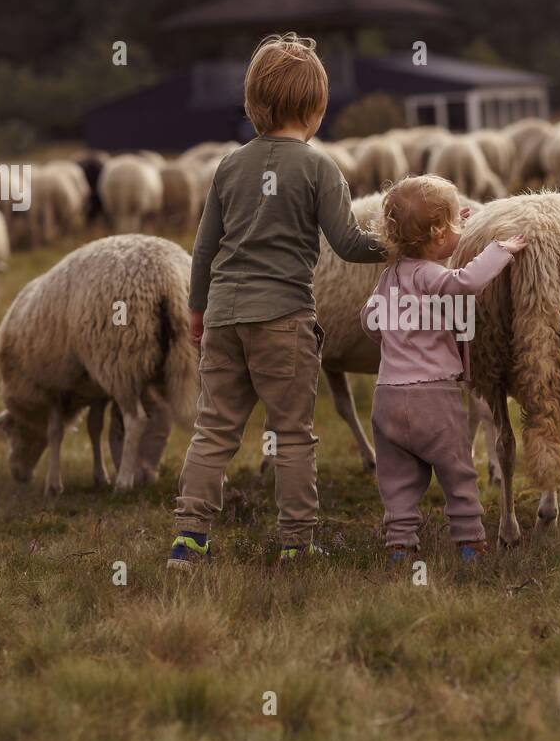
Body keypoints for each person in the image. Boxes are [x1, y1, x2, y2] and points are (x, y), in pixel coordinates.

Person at [169, 32, 385, 569]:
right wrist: (402, 244)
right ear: (317, 108)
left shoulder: (228, 167)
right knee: (292, 435)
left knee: (214, 430)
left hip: (222, 316)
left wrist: (197, 311)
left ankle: (190, 537)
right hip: (284, 321)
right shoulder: (318, 169)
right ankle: (295, 542)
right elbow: (349, 245)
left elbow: (203, 249)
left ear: (252, 103)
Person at [360, 175, 527, 562]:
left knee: (398, 480)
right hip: (433, 398)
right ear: (437, 234)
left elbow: (368, 320)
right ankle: (470, 542)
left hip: (387, 397)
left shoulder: (389, 276)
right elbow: (465, 282)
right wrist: (500, 251)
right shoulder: (432, 275)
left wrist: (393, 338)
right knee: (456, 471)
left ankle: (400, 543)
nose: (460, 230)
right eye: (455, 224)